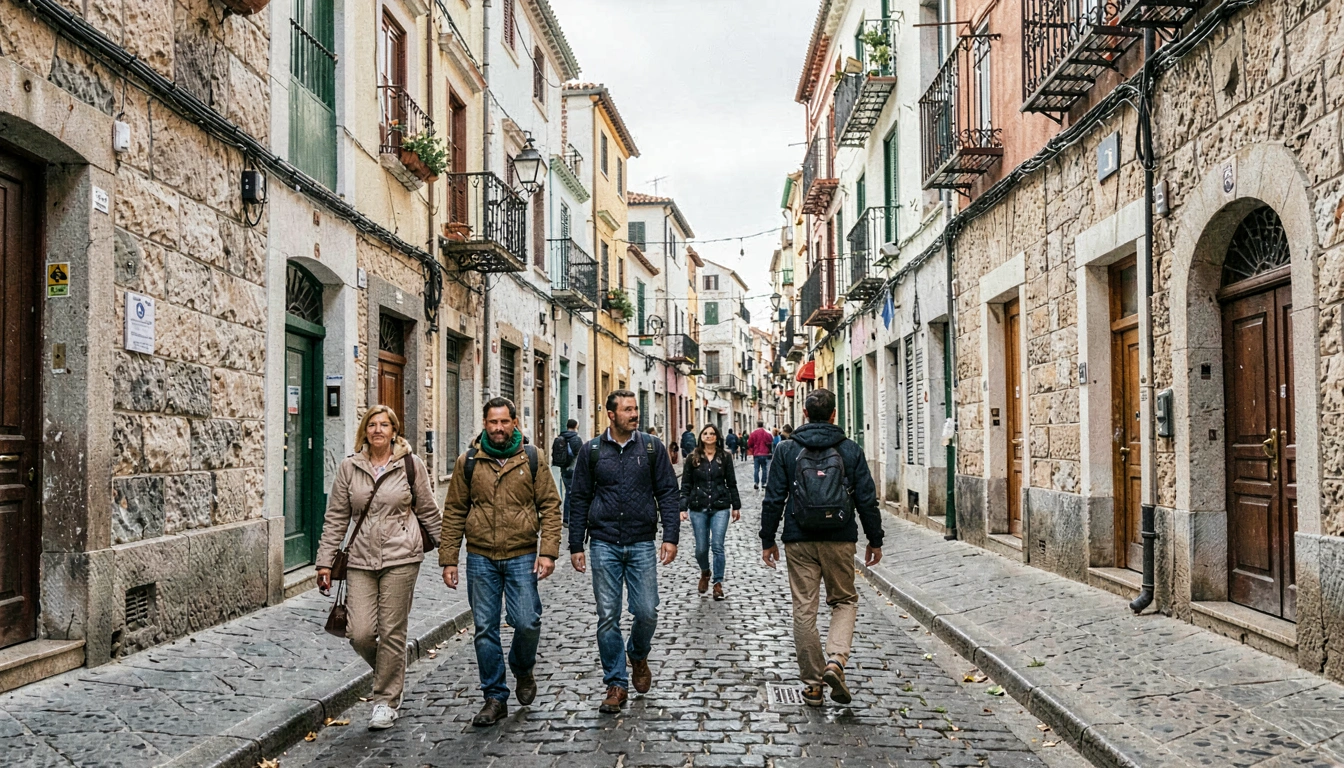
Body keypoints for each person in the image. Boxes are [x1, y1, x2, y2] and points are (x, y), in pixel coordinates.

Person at [316, 405, 441, 730]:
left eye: (384, 424)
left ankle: (385, 701)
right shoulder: (349, 467)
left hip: (402, 557)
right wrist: (324, 562)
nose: (377, 430)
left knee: (392, 631)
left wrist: (449, 554)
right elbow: (336, 518)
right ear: (364, 430)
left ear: (394, 430)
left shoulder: (411, 466)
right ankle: (392, 670)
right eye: (372, 424)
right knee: (359, 634)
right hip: (360, 559)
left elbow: (427, 510)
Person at [440, 397, 562, 727]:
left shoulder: (532, 458)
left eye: (504, 422)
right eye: (492, 422)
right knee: (484, 629)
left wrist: (548, 551)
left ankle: (522, 667)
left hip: (522, 554)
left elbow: (551, 506)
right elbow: (454, 511)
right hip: (480, 556)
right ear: (484, 424)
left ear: (514, 423)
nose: (498, 428)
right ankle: (495, 696)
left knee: (527, 621)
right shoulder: (468, 462)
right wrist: (449, 558)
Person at [760, 389, 883, 708]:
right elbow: (866, 498)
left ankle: (813, 685)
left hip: (798, 539)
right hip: (840, 536)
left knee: (804, 607)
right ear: (834, 415)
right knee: (844, 600)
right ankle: (836, 661)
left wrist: (767, 539)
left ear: (803, 413)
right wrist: (875, 538)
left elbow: (774, 497)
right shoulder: (850, 449)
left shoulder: (786, 449)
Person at [568, 390, 681, 714]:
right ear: (611, 415)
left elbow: (668, 492)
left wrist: (669, 536)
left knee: (647, 611)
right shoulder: (591, 451)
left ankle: (638, 653)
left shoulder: (651, 447)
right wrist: (577, 544)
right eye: (628, 409)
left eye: (635, 408)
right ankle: (615, 683)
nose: (634, 414)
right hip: (603, 542)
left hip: (642, 541)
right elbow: (578, 498)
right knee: (608, 616)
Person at [679, 424, 741, 601]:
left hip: (720, 506)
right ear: (701, 437)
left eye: (712, 433)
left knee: (717, 546)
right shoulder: (693, 458)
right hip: (698, 507)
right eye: (705, 433)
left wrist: (736, 506)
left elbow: (732, 483)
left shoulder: (725, 457)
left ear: (717, 437)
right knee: (701, 549)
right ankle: (705, 571)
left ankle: (718, 584)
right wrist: (682, 507)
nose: (709, 436)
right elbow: (686, 485)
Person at [552, 419, 585, 523]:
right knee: (573, 494)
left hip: (564, 469)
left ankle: (567, 517)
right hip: (574, 469)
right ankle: (569, 517)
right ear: (576, 426)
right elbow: (581, 455)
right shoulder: (576, 439)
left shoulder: (561, 437)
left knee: (568, 493)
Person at [748, 421, 774, 490]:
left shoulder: (753, 433)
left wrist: (753, 449)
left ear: (757, 425)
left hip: (756, 453)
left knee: (756, 469)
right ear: (763, 425)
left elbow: (749, 443)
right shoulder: (767, 433)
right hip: (765, 453)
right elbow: (771, 442)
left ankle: (756, 483)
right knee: (764, 469)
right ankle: (763, 483)